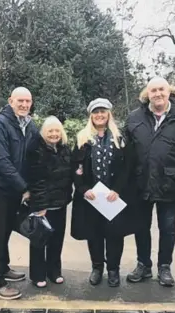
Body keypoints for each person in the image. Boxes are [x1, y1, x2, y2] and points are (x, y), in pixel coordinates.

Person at [125, 77, 175, 287]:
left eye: (161, 90)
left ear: (169, 92)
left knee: (167, 227)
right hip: (141, 182)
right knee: (141, 226)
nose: (157, 94)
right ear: (147, 94)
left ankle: (165, 267)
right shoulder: (134, 118)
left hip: (169, 181)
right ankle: (143, 265)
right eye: (153, 90)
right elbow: (126, 153)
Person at [70, 98, 137, 287]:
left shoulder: (120, 137)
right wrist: (83, 189)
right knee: (94, 234)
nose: (99, 115)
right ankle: (97, 267)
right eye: (96, 112)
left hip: (113, 197)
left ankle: (113, 269)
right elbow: (75, 166)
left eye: (103, 111)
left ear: (109, 114)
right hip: (91, 197)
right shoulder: (82, 138)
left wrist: (117, 189)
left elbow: (128, 166)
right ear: (90, 115)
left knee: (115, 234)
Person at [0, 87, 39, 300]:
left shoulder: (30, 125)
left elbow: (33, 156)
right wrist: (24, 187)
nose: (24, 105)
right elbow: (1, 160)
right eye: (20, 101)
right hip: (0, 188)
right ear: (11, 101)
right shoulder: (0, 124)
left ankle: (3, 267)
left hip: (17, 189)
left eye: (28, 101)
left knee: (6, 230)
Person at [25, 116, 73, 288]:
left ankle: (54, 271)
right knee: (39, 239)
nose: (54, 134)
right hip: (42, 205)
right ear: (44, 133)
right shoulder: (36, 150)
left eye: (57, 130)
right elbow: (36, 181)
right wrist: (40, 205)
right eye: (50, 131)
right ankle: (38, 274)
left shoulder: (65, 149)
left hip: (60, 203)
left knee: (56, 240)